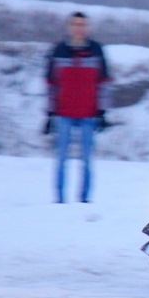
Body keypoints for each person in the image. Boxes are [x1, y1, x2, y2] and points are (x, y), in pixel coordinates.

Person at [45, 12, 111, 203]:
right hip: (64, 113)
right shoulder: (59, 51)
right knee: (61, 159)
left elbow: (104, 84)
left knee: (87, 160)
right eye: (75, 24)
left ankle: (84, 199)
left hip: (88, 114)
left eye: (82, 24)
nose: (79, 28)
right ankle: (59, 199)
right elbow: (51, 84)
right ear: (69, 27)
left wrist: (102, 112)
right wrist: (49, 114)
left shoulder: (96, 50)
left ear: (87, 28)